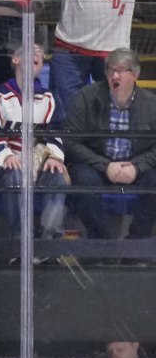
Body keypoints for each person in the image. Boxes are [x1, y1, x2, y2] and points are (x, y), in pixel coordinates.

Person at [0, 41, 68, 241]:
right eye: (30, 51)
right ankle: (19, 240)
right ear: (15, 60)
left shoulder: (49, 99)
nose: (37, 53)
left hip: (34, 158)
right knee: (14, 174)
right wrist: (6, 155)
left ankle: (49, 242)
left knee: (56, 175)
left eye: (40, 53)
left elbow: (57, 131)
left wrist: (54, 157)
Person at [63, 47, 156, 239]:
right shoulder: (86, 97)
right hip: (97, 164)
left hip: (135, 165)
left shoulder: (151, 103)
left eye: (121, 70)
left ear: (135, 74)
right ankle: (101, 242)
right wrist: (105, 166)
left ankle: (137, 244)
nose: (115, 75)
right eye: (110, 70)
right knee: (83, 180)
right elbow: (71, 141)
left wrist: (138, 166)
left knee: (153, 181)